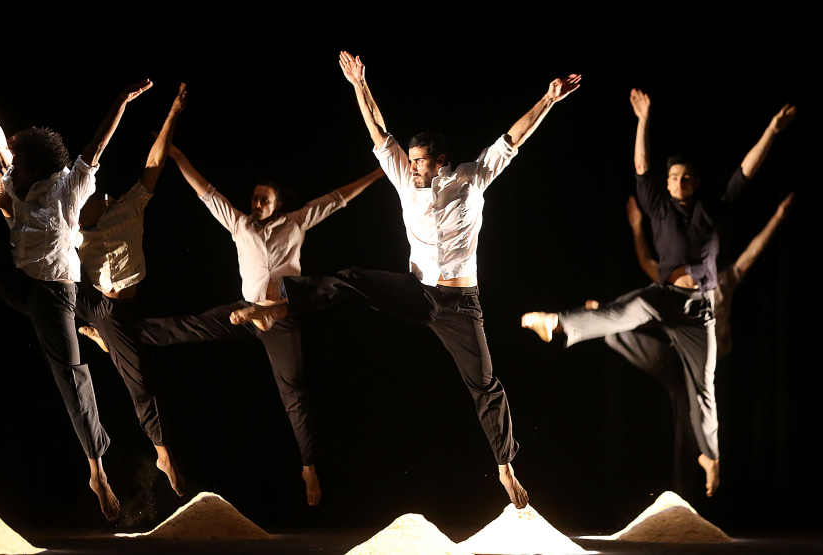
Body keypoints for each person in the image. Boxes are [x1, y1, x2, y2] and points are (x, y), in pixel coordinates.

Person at [232, 51, 581, 509]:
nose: (411, 167)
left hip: (460, 305)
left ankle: (505, 468)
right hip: (417, 292)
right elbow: (379, 132)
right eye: (410, 161)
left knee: (485, 384)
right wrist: (359, 85)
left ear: (440, 161)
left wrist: (548, 99)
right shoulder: (403, 179)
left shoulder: (471, 179)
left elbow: (512, 139)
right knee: (354, 278)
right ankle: (278, 308)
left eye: (419, 162)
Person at [522, 89, 796, 497]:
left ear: (695, 182)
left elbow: (745, 172)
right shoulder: (659, 207)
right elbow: (641, 165)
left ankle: (711, 458)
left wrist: (772, 129)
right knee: (625, 311)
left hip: (700, 311)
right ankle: (556, 322)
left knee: (704, 390)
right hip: (664, 295)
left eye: (685, 178)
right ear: (666, 184)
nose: (678, 182)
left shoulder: (712, 210)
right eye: (673, 178)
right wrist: (644, 119)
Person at [82, 138, 384, 506]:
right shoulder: (240, 224)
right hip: (245, 311)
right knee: (187, 325)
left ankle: (308, 466)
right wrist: (177, 155)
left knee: (293, 391)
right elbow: (207, 193)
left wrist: (377, 174)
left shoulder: (296, 222)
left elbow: (338, 199)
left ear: (278, 203)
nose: (256, 204)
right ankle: (117, 339)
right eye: (254, 198)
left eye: (264, 200)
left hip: (280, 316)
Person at [0, 67, 152, 520]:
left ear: (38, 168)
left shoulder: (68, 187)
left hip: (55, 294)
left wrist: (121, 100)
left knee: (72, 375)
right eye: (13, 167)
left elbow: (96, 146)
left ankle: (97, 472)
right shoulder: (18, 175)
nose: (12, 169)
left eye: (18, 167)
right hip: (17, 279)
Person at [586, 192, 794, 493]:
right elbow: (647, 263)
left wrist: (777, 217)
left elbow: (752, 252)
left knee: (690, 423)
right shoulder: (676, 282)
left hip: (702, 367)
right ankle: (602, 322)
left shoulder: (723, 283)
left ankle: (687, 488)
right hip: (675, 360)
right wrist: (637, 227)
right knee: (626, 335)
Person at [74, 83, 189, 497]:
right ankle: (96, 336)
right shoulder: (73, 233)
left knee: (138, 382)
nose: (103, 196)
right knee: (44, 290)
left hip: (117, 312)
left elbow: (155, 161)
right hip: (93, 302)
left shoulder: (128, 206)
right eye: (92, 199)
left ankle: (162, 453)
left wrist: (173, 113)